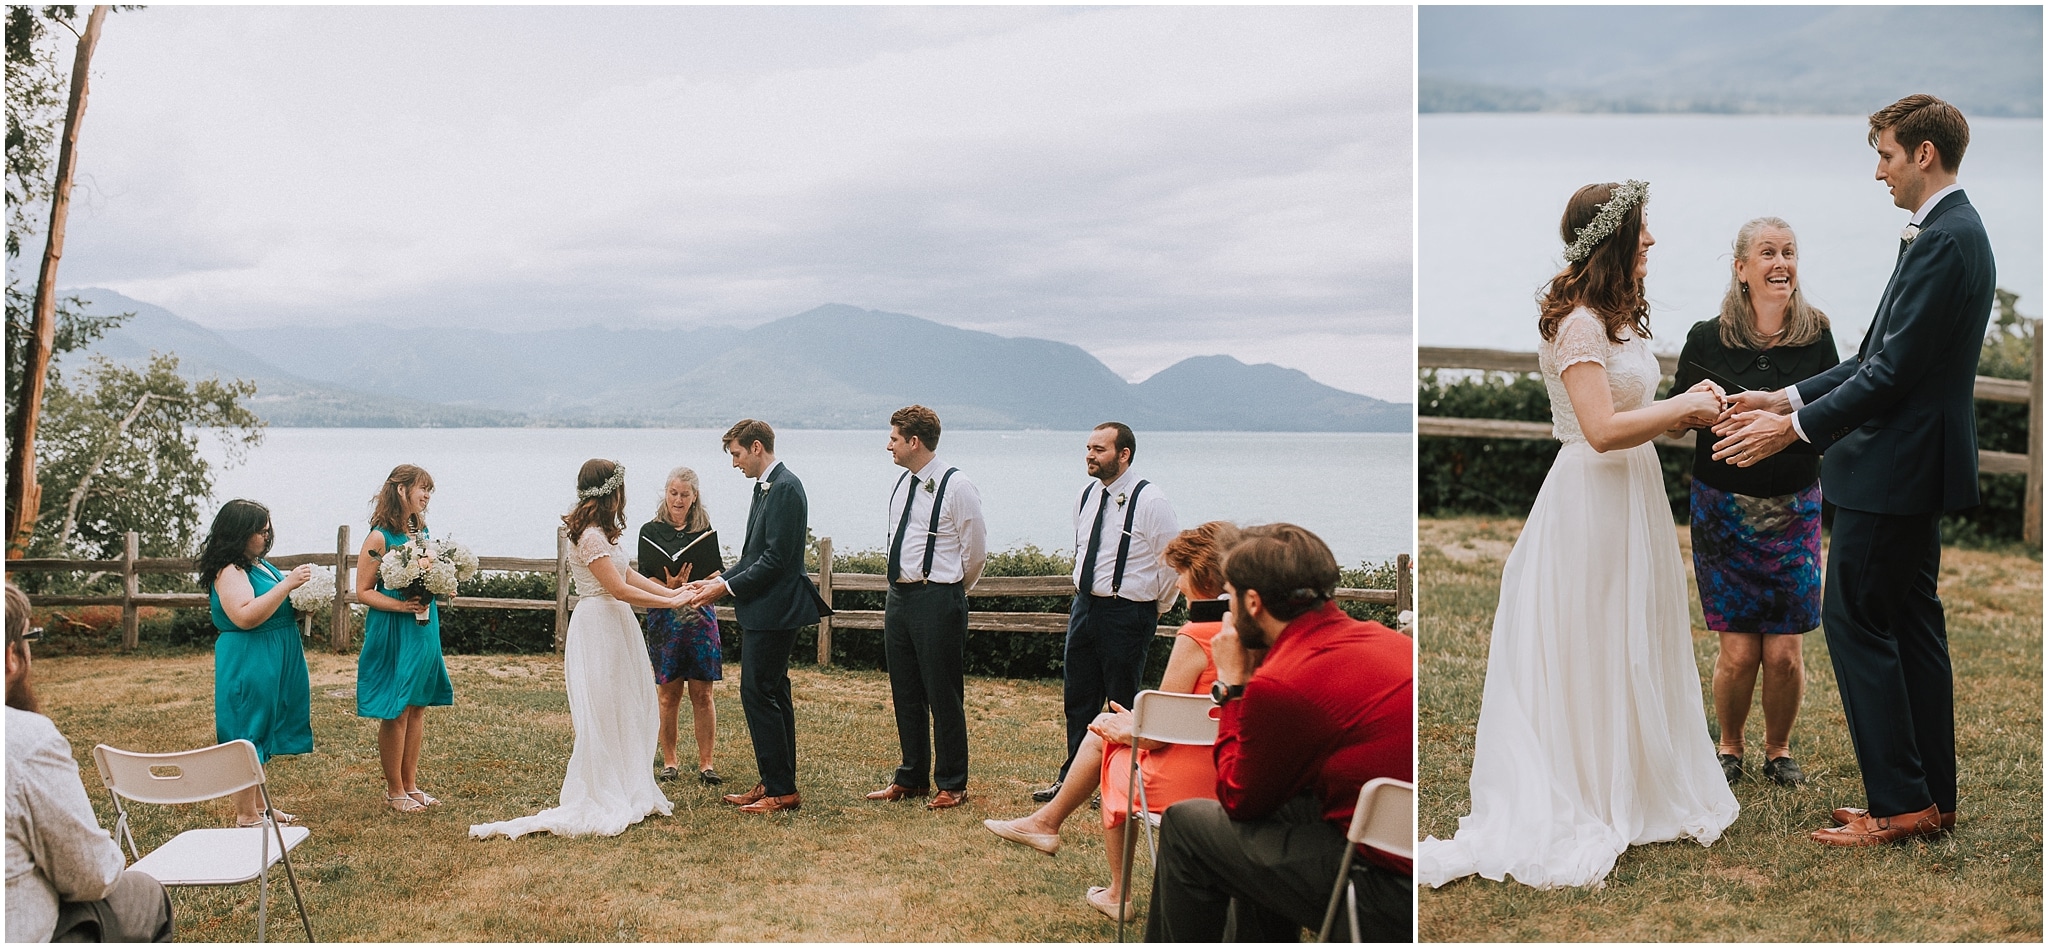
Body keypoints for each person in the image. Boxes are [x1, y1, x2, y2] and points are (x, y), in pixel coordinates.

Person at [1416, 181, 1738, 890]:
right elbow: (1597, 431)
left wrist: (1693, 407)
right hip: (1591, 495)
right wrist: (1680, 410)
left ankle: (1642, 774)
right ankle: (1589, 787)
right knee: (1593, 634)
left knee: (1636, 629)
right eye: (1642, 230)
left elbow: (1635, 415)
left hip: (1633, 490)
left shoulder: (1618, 318)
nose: (1651, 240)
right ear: (1613, 239)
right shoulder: (1581, 325)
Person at [1712, 94, 1995, 846]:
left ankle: (1901, 805)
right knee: (1912, 623)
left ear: (1923, 154)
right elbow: (1872, 358)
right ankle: (1935, 797)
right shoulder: (1949, 233)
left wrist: (1793, 430)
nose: (1880, 172)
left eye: (1887, 155)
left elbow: (1893, 374)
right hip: (1914, 466)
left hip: (1894, 469)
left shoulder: (1944, 239)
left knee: (1856, 620)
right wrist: (1786, 392)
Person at [1142, 524, 1411, 942]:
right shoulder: (1389, 641)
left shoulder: (1283, 682)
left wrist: (1234, 685)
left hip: (1379, 889)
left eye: (1229, 595)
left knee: (1186, 827)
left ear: (1252, 602)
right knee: (1275, 813)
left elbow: (1238, 799)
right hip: (1402, 848)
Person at [985, 522, 1233, 922]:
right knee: (1108, 729)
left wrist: (1129, 728)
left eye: (1182, 573)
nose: (1179, 584)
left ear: (1201, 576)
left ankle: (1116, 890)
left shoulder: (1197, 635)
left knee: (1113, 752)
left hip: (1187, 781)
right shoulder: (1254, 633)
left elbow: (1155, 736)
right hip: (1231, 769)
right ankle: (1045, 824)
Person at [1671, 219, 1839, 788]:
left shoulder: (1818, 335)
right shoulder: (1705, 337)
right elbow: (1676, 419)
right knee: (1740, 653)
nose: (1781, 263)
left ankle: (1779, 749)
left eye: (1789, 252)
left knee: (1785, 653)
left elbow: (1836, 412)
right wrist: (1702, 405)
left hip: (1794, 510)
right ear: (1741, 268)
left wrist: (1789, 422)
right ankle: (1730, 747)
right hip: (1723, 511)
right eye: (1767, 253)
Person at [469, 459, 686, 839]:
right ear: (610, 491)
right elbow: (617, 589)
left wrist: (673, 592)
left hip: (616, 624)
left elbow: (627, 575)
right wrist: (669, 604)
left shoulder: (602, 534)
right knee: (603, 707)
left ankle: (626, 781)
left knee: (626, 703)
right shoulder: (587, 536)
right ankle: (604, 788)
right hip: (598, 626)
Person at [5, 583, 175, 943]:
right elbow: (92, 874)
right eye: (28, 638)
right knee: (143, 895)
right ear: (11, 657)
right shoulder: (25, 741)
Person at [683, 420, 832, 814]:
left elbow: (776, 560)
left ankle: (782, 791)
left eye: (735, 454)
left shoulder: (784, 488)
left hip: (776, 610)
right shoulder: (766, 487)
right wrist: (714, 581)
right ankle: (775, 781)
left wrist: (723, 590)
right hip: (766, 609)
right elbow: (752, 557)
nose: (734, 464)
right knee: (773, 692)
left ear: (755, 447)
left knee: (758, 692)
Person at [1035, 422, 1179, 804]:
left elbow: (1171, 566)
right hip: (1085, 607)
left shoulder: (1151, 502)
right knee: (1078, 698)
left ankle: (1118, 782)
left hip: (1128, 613)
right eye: (1088, 447)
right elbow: (1084, 550)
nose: (1089, 455)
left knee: (1122, 700)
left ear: (1124, 454)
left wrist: (1153, 609)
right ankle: (1072, 780)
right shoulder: (1087, 496)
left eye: (1099, 449)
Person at [866, 406, 986, 811]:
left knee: (943, 693)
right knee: (905, 691)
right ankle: (912, 776)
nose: (889, 446)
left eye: (894, 438)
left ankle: (952, 782)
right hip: (899, 598)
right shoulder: (903, 483)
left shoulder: (958, 486)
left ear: (914, 442)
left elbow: (975, 552)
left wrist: (949, 590)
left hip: (937, 599)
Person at [199, 498, 317, 827]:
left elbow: (271, 605)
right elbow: (245, 615)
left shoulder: (258, 565)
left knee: (264, 726)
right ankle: (246, 815)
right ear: (240, 533)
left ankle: (261, 807)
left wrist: (301, 605)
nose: (267, 536)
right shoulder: (229, 571)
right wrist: (288, 583)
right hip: (250, 655)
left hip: (275, 651)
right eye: (260, 531)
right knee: (247, 728)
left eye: (268, 530)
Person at [354, 464, 456, 813]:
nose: (427, 496)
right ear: (401, 491)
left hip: (423, 626)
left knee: (417, 705)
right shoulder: (379, 537)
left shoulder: (421, 531)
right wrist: (401, 607)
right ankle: (394, 790)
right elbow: (362, 592)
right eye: (422, 488)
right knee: (396, 709)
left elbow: (426, 574)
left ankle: (411, 785)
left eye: (429, 490)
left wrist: (444, 584)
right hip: (394, 628)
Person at [636, 466, 725, 786]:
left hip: (700, 614)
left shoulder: (705, 530)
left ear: (694, 497)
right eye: (673, 493)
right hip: (664, 615)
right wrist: (670, 586)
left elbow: (717, 573)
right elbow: (645, 576)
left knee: (703, 693)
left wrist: (696, 584)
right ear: (666, 494)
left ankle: (706, 764)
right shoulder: (650, 530)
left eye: (684, 495)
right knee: (667, 694)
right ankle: (670, 762)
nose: (678, 499)